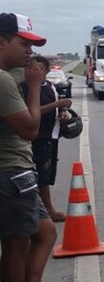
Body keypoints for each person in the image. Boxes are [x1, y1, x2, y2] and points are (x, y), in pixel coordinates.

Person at [0, 13, 63, 282]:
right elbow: (28, 129)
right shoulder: (2, 80)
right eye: (23, 43)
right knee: (15, 243)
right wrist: (36, 88)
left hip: (15, 171)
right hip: (10, 170)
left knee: (45, 231)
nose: (30, 52)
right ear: (2, 41)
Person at [19, 56, 72, 222]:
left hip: (50, 135)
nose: (35, 72)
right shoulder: (24, 88)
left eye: (39, 69)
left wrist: (62, 113)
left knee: (46, 174)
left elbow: (59, 107)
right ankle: (46, 210)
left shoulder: (50, 87)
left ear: (47, 71)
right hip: (34, 137)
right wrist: (56, 106)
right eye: (31, 68)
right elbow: (30, 112)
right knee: (38, 176)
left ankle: (43, 209)